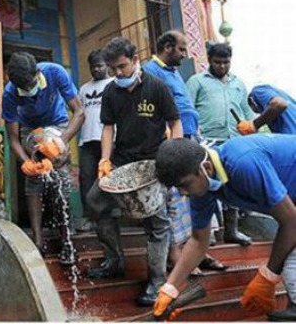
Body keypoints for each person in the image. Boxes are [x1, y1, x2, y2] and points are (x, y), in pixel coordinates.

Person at [154, 135, 296, 321]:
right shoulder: (201, 186)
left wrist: (268, 276)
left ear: (205, 168)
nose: (183, 193)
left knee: (290, 264)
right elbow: (198, 240)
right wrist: (170, 288)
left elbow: (291, 222)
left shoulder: (243, 163)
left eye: (184, 185)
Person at [86, 37, 182, 307]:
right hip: (121, 160)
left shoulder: (157, 87)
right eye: (113, 68)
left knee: (157, 222)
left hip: (153, 163)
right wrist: (104, 160)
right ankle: (114, 260)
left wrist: (172, 155)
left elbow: (175, 122)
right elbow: (107, 127)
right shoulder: (111, 92)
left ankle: (156, 280)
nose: (118, 73)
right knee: (95, 200)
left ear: (136, 60)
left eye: (123, 67)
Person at [142, 31, 226, 272]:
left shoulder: (174, 71)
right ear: (167, 47)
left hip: (190, 141)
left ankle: (199, 251)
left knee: (199, 194)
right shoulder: (151, 71)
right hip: (172, 145)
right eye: (181, 48)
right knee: (174, 200)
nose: (184, 53)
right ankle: (176, 254)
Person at [2, 52, 84, 264]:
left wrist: (61, 141)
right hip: (31, 130)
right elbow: (13, 138)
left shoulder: (55, 72)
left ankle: (67, 240)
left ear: (37, 72)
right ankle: (38, 241)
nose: (29, 92)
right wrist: (25, 162)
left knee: (60, 175)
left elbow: (79, 112)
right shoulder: (10, 94)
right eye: (23, 89)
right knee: (34, 176)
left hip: (58, 125)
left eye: (31, 85)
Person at [187, 42, 255, 245]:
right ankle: (208, 234)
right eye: (218, 62)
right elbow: (188, 110)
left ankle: (231, 231)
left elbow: (246, 111)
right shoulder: (197, 81)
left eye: (226, 62)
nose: (222, 66)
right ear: (209, 60)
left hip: (233, 141)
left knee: (231, 184)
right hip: (207, 141)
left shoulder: (238, 83)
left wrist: (250, 128)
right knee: (207, 185)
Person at [76, 49, 113, 233]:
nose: (96, 70)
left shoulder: (114, 84)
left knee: (108, 179)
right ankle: (88, 218)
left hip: (110, 141)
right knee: (86, 178)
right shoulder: (84, 89)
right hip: (87, 141)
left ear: (107, 65)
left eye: (99, 66)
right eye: (93, 67)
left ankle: (111, 217)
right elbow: (79, 114)